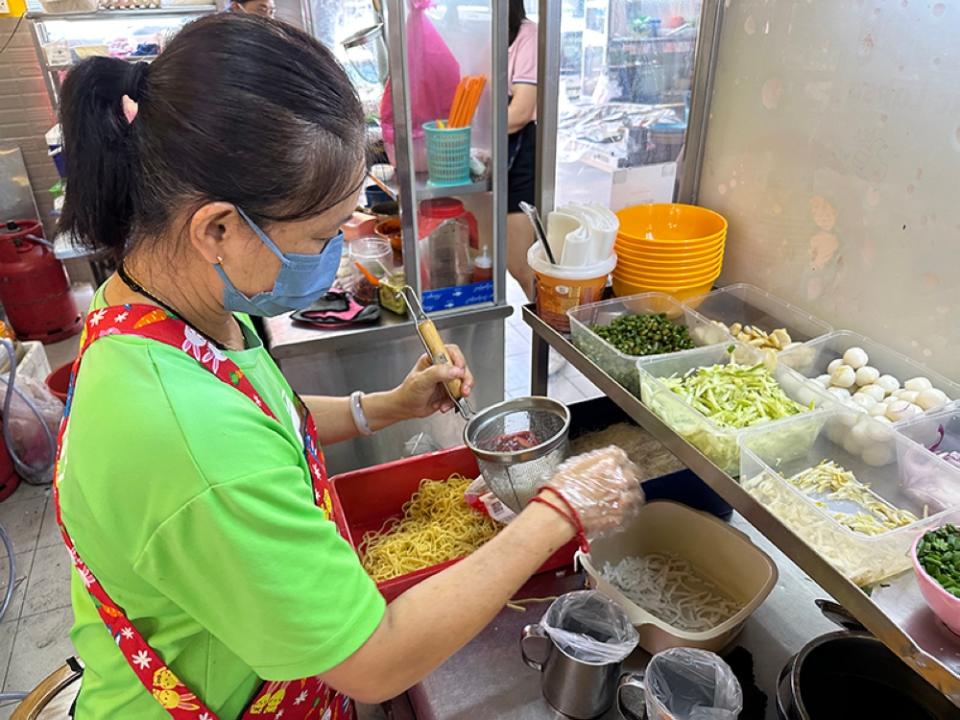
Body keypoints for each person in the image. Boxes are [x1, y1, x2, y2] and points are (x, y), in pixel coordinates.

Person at [56, 15, 641, 719]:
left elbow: (260, 416)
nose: (334, 253)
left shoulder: (161, 304)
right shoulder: (185, 441)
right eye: (321, 235)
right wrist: (555, 514)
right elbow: (375, 659)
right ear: (216, 228)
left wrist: (387, 406)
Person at [505, 0, 538, 301]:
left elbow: (520, 112)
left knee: (519, 263)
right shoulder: (481, 31)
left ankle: (551, 328)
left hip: (519, 151)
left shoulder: (528, 36)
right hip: (487, 152)